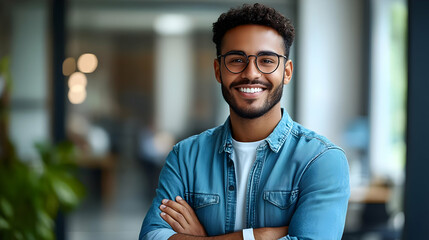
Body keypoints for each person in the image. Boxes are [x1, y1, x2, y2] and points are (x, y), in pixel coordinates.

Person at [139, 3, 350, 240]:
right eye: (237, 60)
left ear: (287, 72)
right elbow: (152, 235)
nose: (251, 73)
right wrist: (256, 237)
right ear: (218, 70)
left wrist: (202, 237)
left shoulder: (320, 160)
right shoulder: (185, 156)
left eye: (267, 60)